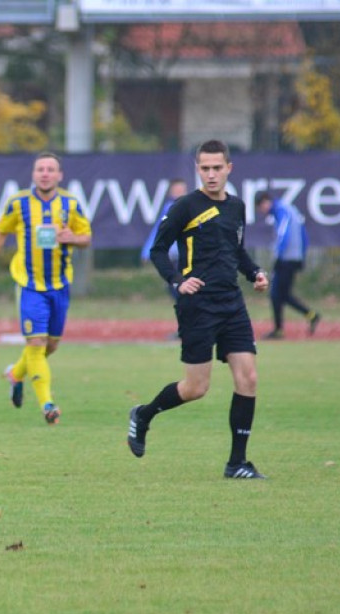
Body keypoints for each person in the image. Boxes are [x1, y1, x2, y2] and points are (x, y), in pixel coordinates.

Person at [127, 140, 270, 479]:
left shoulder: (236, 207)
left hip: (232, 303)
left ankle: (237, 463)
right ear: (197, 168)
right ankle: (143, 415)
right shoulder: (184, 206)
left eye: (217, 168)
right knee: (196, 388)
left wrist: (255, 273)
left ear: (228, 168)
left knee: (248, 378)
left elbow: (237, 251)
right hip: (198, 306)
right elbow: (159, 250)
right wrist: (178, 281)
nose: (210, 174)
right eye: (204, 168)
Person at [0, 151, 92, 424]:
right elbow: (0, 231)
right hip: (29, 284)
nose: (45, 173)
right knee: (37, 344)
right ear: (33, 174)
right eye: (41, 169)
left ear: (60, 175)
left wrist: (71, 237)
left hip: (60, 285)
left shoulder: (70, 204)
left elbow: (86, 237)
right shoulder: (19, 203)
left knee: (50, 346)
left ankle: (16, 374)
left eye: (51, 169)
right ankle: (48, 405)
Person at [254, 191, 321, 339]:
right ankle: (310, 316)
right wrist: (301, 256)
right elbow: (303, 234)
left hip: (286, 258)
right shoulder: (288, 208)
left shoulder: (281, 210)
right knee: (281, 295)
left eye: (261, 207)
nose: (262, 211)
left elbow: (284, 233)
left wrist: (279, 255)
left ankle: (281, 329)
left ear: (265, 202)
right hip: (293, 258)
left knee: (277, 294)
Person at [141, 178, 189, 303]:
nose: (179, 193)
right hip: (174, 256)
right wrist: (147, 252)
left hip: (189, 255)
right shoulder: (169, 209)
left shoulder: (192, 208)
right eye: (176, 190)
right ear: (171, 193)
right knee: (174, 284)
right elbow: (158, 231)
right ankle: (184, 304)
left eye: (181, 190)